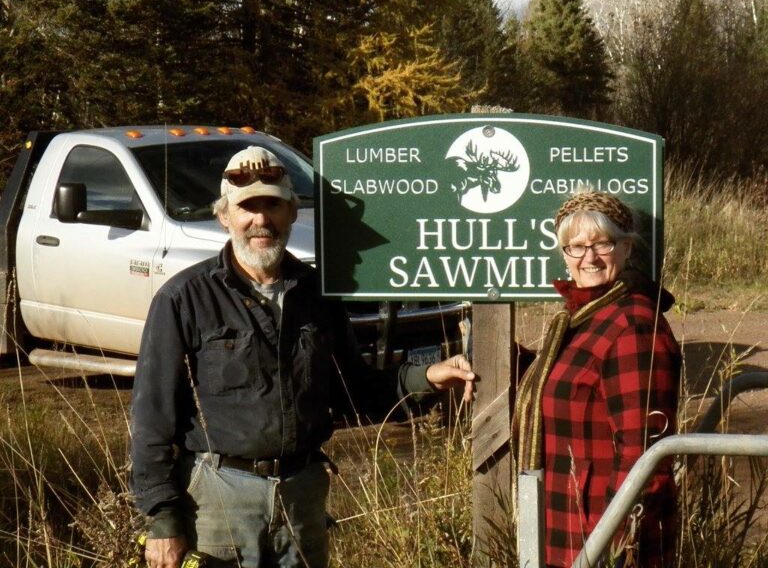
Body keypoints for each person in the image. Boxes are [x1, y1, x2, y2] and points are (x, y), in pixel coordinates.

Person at [129, 145, 475, 568]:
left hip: (302, 498)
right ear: (225, 216)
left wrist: (429, 377)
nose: (261, 219)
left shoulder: (317, 295)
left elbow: (356, 393)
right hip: (219, 503)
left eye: (272, 205)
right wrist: (163, 519)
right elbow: (151, 420)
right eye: (247, 207)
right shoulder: (184, 299)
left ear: (292, 212)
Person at [514, 191, 680, 568]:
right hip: (569, 531)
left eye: (601, 243)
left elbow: (645, 455)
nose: (588, 257)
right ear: (564, 254)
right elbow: (568, 385)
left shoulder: (633, 325)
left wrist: (615, 545)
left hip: (604, 541)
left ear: (625, 247)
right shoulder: (584, 318)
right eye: (575, 247)